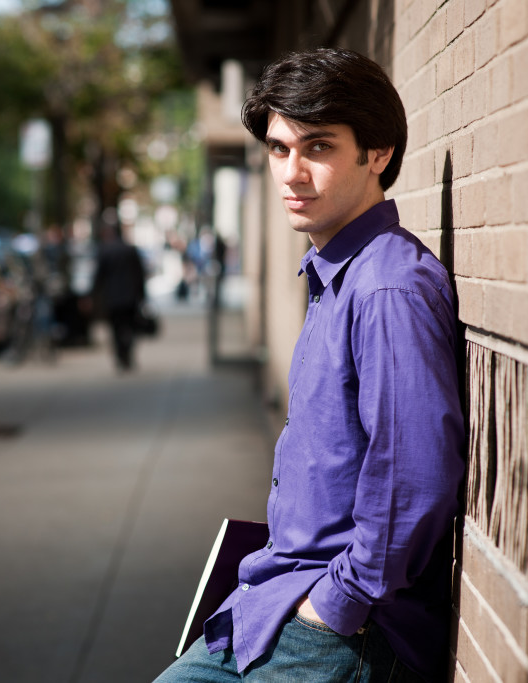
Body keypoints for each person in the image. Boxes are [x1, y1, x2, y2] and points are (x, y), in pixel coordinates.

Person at [154, 48, 465, 682]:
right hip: (275, 598)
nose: (292, 173)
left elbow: (415, 476)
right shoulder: (336, 275)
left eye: (317, 147)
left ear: (376, 154)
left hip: (337, 632)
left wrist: (335, 606)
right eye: (278, 149)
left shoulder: (385, 286)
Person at [92, 223, 147, 371]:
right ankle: (128, 354)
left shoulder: (104, 251)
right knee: (130, 327)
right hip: (130, 297)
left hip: (112, 297)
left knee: (116, 329)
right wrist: (142, 296)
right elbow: (140, 274)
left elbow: (98, 277)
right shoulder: (130, 249)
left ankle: (120, 357)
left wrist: (93, 295)